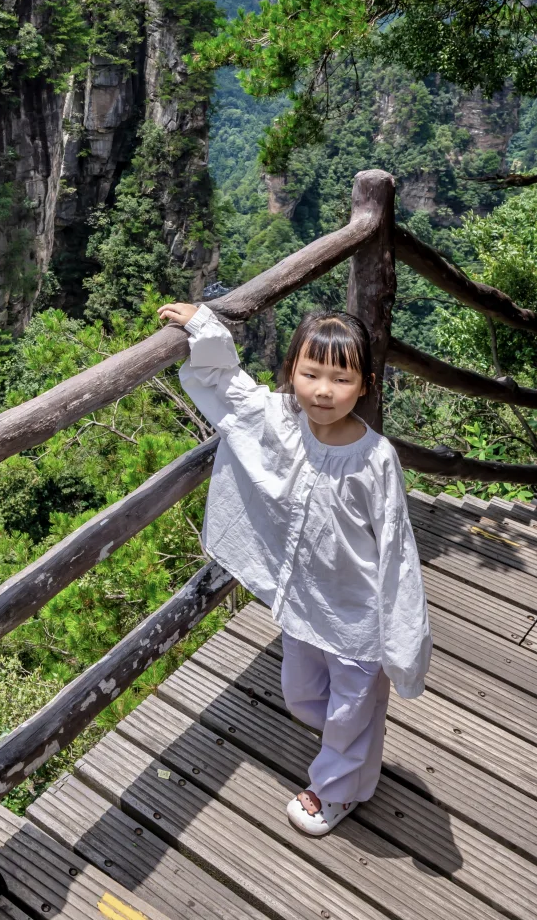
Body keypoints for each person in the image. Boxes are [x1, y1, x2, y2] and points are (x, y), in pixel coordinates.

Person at [156, 300, 431, 837]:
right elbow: (226, 385)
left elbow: (397, 551)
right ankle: (353, 748)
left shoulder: (375, 459)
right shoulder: (280, 419)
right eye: (310, 374)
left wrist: (403, 640)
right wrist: (202, 325)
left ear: (366, 385)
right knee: (302, 694)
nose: (323, 391)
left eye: (341, 379)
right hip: (305, 602)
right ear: (291, 373)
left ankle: (339, 788)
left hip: (357, 614)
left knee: (350, 707)